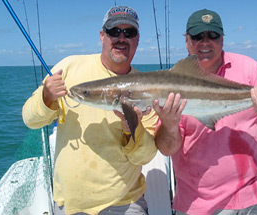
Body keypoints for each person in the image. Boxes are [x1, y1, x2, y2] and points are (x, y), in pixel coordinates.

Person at [154, 9, 257, 215]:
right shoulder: (170, 83)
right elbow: (166, 149)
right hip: (201, 203)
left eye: (213, 35)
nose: (205, 42)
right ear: (187, 41)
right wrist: (169, 124)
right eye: (198, 36)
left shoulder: (249, 68)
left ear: (222, 39)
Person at [22, 6, 158, 215]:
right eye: (114, 31)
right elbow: (30, 119)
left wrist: (133, 130)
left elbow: (145, 157)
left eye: (128, 33)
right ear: (102, 36)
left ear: (137, 39)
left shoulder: (150, 90)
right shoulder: (69, 67)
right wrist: (47, 97)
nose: (121, 38)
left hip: (126, 202)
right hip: (71, 204)